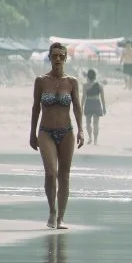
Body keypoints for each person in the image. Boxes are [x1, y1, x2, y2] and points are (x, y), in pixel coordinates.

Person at [30, 42, 84, 229]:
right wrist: (32, 133)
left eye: (61, 56)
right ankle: (52, 212)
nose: (58, 59)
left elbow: (77, 107)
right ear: (50, 58)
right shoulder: (41, 81)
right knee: (51, 173)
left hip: (67, 132)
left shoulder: (72, 82)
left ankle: (61, 217)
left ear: (66, 58)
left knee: (65, 175)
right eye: (55, 56)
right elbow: (36, 107)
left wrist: (81, 130)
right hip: (46, 131)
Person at [83, 69, 107, 145]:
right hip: (96, 103)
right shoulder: (99, 85)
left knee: (88, 123)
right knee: (96, 123)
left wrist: (81, 106)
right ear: (95, 77)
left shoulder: (85, 85)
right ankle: (95, 141)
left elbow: (83, 97)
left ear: (87, 77)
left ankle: (90, 138)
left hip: (89, 103)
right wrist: (104, 107)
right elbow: (102, 98)